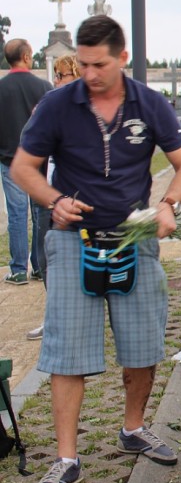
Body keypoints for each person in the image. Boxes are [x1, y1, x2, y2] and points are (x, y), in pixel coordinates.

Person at [11, 15, 181, 483]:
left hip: (135, 236)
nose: (90, 73)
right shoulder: (57, 104)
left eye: (100, 64)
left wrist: (168, 204)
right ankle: (67, 458)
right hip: (74, 239)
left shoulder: (149, 103)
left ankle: (133, 429)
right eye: (84, 62)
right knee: (66, 351)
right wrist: (53, 200)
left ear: (123, 57)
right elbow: (23, 167)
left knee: (142, 344)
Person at [25, 55, 81, 341]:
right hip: (48, 195)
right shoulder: (51, 107)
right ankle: (56, 317)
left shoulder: (78, 110)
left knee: (56, 259)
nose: (56, 81)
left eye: (61, 75)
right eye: (56, 76)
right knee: (43, 259)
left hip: (69, 199)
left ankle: (62, 320)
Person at [0, 38, 52, 285]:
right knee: (40, 213)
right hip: (39, 159)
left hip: (10, 158)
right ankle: (40, 266)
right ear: (28, 56)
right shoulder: (44, 87)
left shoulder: (1, 88)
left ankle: (18, 269)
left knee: (17, 214)